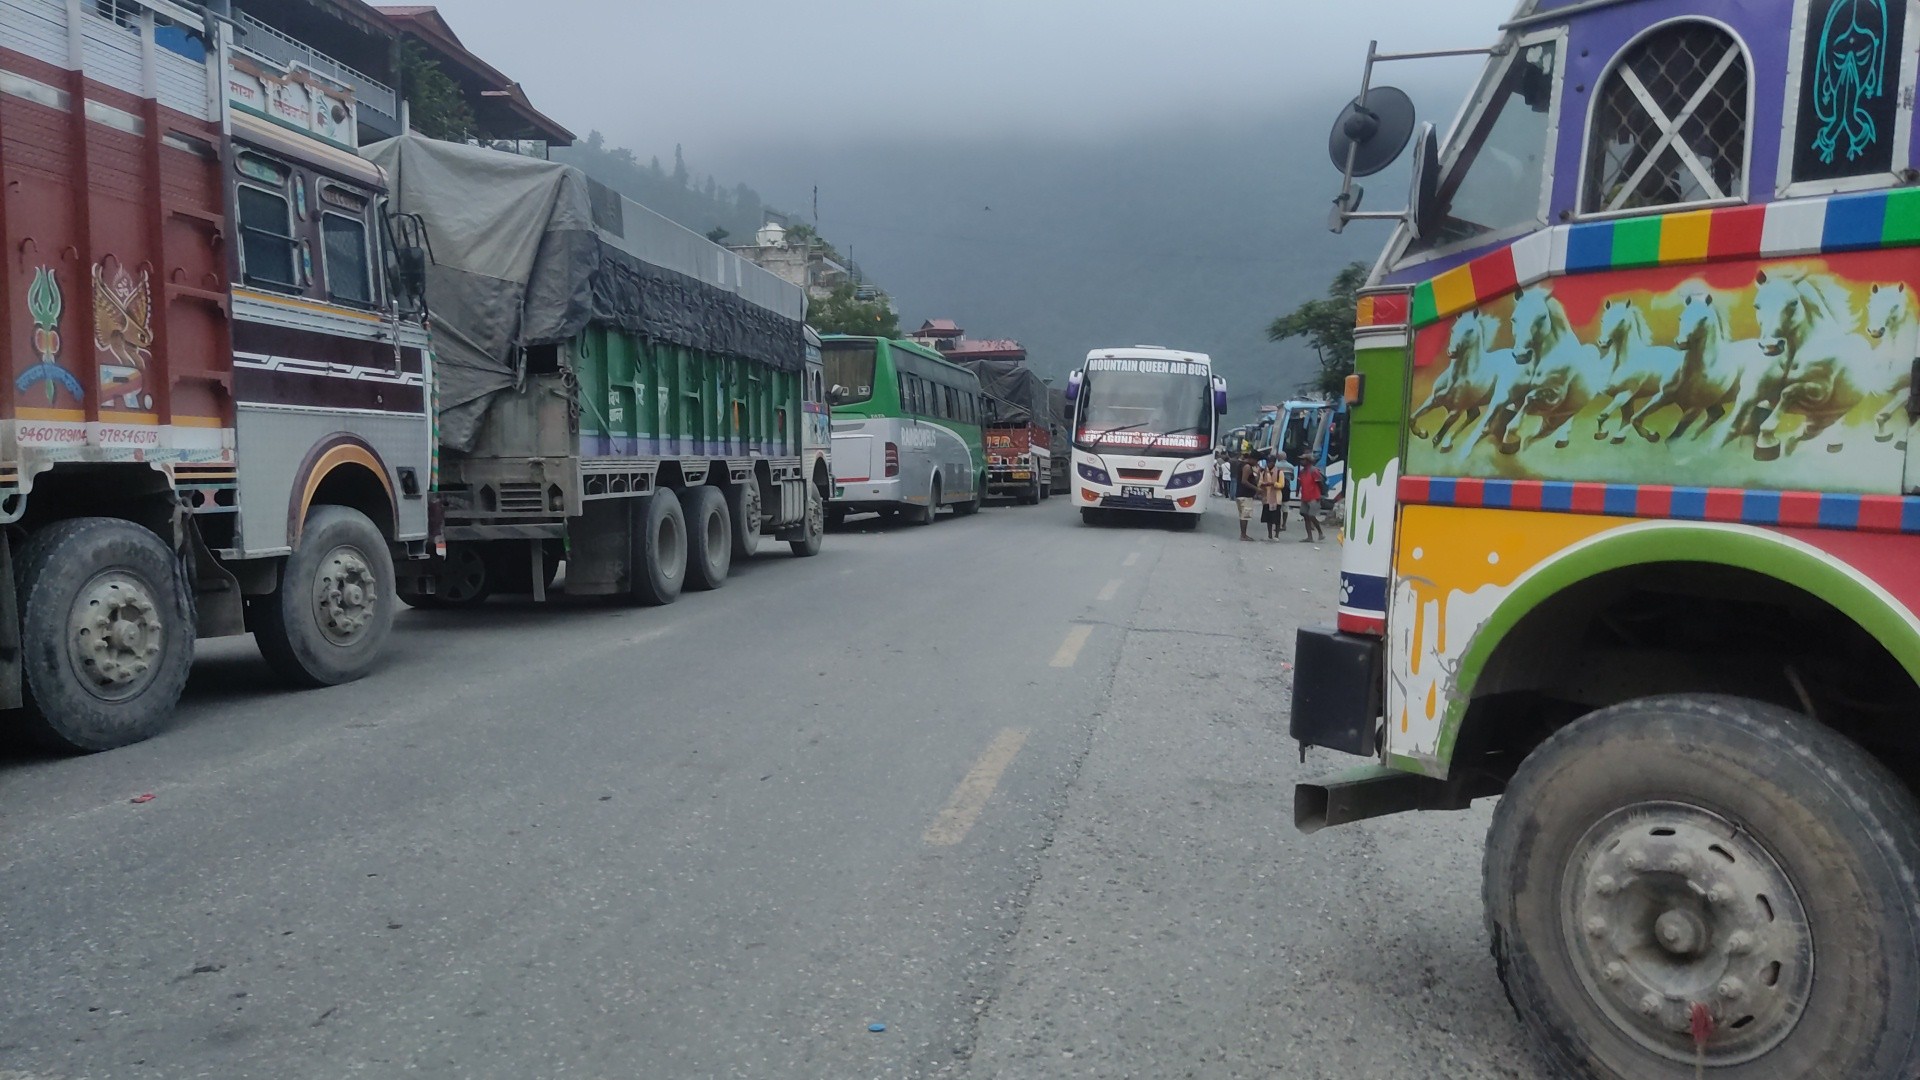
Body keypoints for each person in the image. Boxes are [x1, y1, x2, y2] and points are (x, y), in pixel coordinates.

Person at [1296, 454, 1326, 543]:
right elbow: (1299, 482)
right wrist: (1297, 491)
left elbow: (1320, 483)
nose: (1301, 461)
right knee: (1305, 515)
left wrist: (1321, 494)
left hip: (1314, 496)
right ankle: (1309, 537)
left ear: (1308, 461)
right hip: (1305, 496)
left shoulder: (1314, 470)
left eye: (1303, 460)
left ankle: (1320, 532)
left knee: (1311, 515)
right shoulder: (1302, 471)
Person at [1257, 457, 1284, 540]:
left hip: (1276, 498)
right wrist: (1263, 484)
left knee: (1276, 518)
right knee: (1268, 518)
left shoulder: (1279, 472)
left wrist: (1273, 484)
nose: (1268, 464)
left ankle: (1277, 535)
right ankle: (1270, 535)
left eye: (1270, 462)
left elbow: (1282, 485)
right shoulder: (1264, 472)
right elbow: (1259, 483)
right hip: (1267, 498)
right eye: (1268, 462)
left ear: (1274, 463)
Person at [1234, 453, 1259, 541]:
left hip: (1241, 494)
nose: (1256, 463)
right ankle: (1243, 535)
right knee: (1245, 516)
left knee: (1243, 515)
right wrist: (1256, 489)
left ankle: (1243, 534)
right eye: (1256, 461)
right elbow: (1244, 481)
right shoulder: (1247, 467)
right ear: (1252, 459)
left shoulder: (1242, 465)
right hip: (1245, 494)